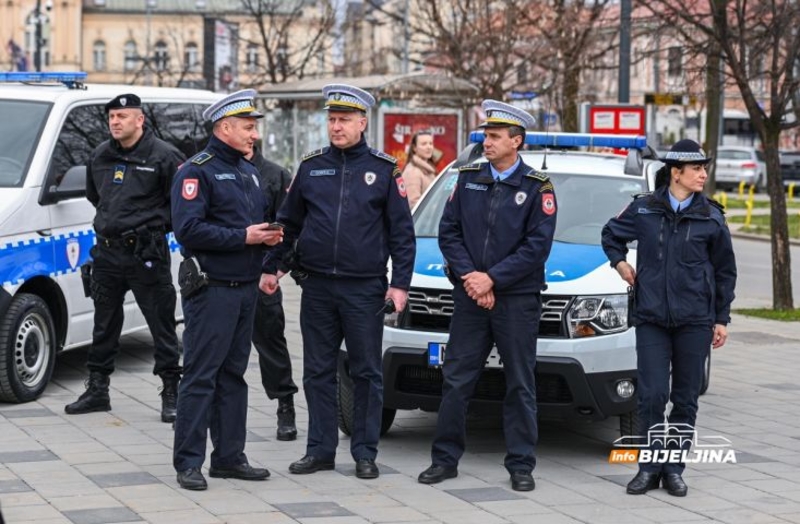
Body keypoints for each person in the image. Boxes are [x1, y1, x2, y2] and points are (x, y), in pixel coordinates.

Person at [260, 84, 416, 480]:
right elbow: (289, 222)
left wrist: (399, 285)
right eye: (331, 119)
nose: (336, 126)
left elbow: (401, 232)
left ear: (363, 122)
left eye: (344, 119)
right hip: (317, 288)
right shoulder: (311, 167)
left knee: (365, 371)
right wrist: (273, 268)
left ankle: (364, 451)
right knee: (316, 370)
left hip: (363, 288)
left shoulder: (383, 169)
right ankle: (320, 450)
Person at [418, 100, 556, 492]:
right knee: (456, 380)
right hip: (469, 298)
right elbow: (449, 232)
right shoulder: (467, 178)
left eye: (495, 137)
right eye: (486, 135)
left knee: (520, 383)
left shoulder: (537, 188)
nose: (487, 142)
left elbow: (536, 248)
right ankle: (444, 460)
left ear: (517, 141)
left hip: (516, 301)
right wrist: (471, 279)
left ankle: (521, 465)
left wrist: (491, 280)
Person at [601, 139, 737, 497]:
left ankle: (674, 469)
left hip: (695, 321)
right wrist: (620, 263)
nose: (703, 175)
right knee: (651, 395)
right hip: (651, 318)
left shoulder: (711, 216)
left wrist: (721, 319)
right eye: (697, 169)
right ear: (676, 173)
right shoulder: (644, 209)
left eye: (704, 169)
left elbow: (725, 271)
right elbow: (610, 234)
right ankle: (648, 468)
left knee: (685, 398)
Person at [171, 89, 284, 491]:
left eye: (254, 128)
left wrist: (267, 239)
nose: (254, 134)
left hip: (244, 289)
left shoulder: (249, 171)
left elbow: (252, 226)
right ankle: (188, 462)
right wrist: (244, 237)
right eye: (249, 127)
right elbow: (188, 229)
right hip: (211, 289)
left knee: (233, 376)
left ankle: (229, 457)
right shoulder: (196, 170)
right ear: (225, 127)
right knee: (201, 376)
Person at [65, 93, 183, 423]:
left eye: (122, 116)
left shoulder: (164, 156)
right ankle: (97, 390)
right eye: (111, 117)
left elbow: (181, 207)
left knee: (161, 324)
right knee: (103, 324)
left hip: (146, 254)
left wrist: (151, 229)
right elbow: (95, 196)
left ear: (139, 120)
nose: (115, 122)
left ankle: (171, 391)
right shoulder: (100, 155)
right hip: (107, 253)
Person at [246, 145, 299, 441]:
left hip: (262, 276)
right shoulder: (212, 171)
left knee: (271, 343)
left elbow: (291, 227)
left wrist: (279, 268)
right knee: (218, 347)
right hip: (224, 275)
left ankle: (285, 405)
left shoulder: (276, 175)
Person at [402, 129, 438, 208]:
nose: (428, 147)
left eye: (430, 143)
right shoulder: (412, 172)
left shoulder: (428, 169)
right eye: (424, 144)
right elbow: (413, 205)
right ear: (414, 148)